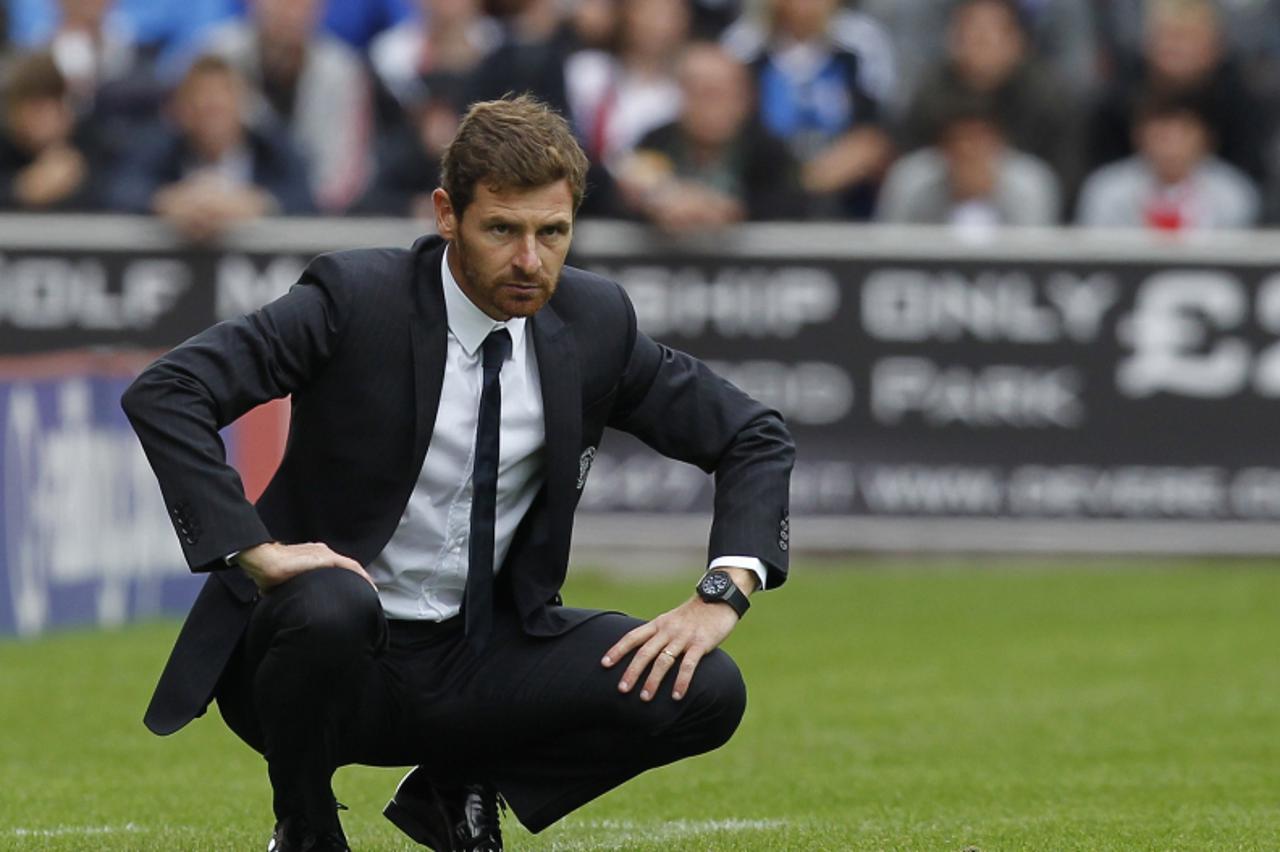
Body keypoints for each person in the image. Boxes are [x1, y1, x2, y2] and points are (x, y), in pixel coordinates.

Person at [121, 95, 793, 852]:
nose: (531, 261)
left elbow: (753, 435)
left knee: (706, 690)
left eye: (553, 232)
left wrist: (722, 592)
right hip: (323, 654)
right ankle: (305, 828)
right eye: (502, 229)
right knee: (330, 605)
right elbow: (169, 390)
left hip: (483, 657)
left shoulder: (597, 322)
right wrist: (255, 550)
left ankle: (455, 789)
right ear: (448, 215)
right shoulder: (355, 300)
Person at [107, 54, 313, 238]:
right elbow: (121, 189)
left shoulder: (272, 148)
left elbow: (305, 196)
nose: (212, 104)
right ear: (181, 110)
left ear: (244, 106)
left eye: (222, 101)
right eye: (202, 100)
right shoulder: (159, 147)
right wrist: (168, 201)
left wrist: (257, 203)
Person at [617, 42, 804, 230]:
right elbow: (627, 193)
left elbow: (784, 206)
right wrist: (656, 202)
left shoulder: (770, 153)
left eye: (721, 94)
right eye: (699, 92)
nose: (710, 107)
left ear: (746, 99)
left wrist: (724, 209)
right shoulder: (655, 141)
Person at [1076, 92, 1259, 231]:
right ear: (1138, 136)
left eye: (1183, 135)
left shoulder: (1233, 192)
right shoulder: (1107, 189)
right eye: (1162, 136)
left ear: (1206, 139)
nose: (1171, 148)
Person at [876, 99, 1060, 227]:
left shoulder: (1030, 182)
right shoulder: (912, 179)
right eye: (958, 140)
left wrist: (993, 194)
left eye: (979, 139)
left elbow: (1037, 255)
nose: (968, 150)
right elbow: (891, 249)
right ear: (941, 146)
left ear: (999, 142)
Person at [0, 50, 104, 211]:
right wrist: (21, 188)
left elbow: (119, 192)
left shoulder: (90, 142)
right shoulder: (5, 145)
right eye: (36, 108)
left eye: (55, 105)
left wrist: (70, 172)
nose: (47, 117)